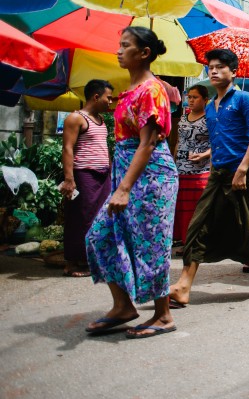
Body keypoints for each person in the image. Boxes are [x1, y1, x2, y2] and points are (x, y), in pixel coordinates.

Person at [84, 27, 179, 338]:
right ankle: (124, 306)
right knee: (101, 236)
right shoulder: (131, 90)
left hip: (151, 176)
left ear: (144, 53)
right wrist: (122, 184)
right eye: (119, 45)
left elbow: (148, 144)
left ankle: (163, 315)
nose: (119, 50)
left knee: (151, 243)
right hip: (129, 172)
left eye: (125, 45)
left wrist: (124, 188)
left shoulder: (152, 90)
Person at [170, 49, 249, 306]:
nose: (214, 71)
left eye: (221, 67)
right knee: (197, 226)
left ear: (234, 72)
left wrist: (243, 169)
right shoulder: (210, 107)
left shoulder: (244, 99)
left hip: (241, 172)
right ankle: (184, 285)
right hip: (216, 174)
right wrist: (206, 155)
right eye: (210, 67)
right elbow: (222, 138)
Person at [61, 79, 114, 278]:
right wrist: (69, 178)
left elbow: (103, 148)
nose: (110, 101)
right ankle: (72, 263)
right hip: (84, 174)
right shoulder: (76, 118)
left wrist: (110, 170)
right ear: (96, 96)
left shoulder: (100, 119)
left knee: (100, 217)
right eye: (108, 97)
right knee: (80, 217)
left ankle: (89, 259)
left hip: (103, 175)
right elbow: (67, 148)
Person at [173, 84, 211, 248]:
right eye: (189, 97)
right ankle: (185, 241)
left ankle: (199, 243)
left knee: (198, 208)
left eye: (195, 97)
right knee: (182, 207)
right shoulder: (183, 118)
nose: (191, 100)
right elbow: (178, 142)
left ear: (205, 100)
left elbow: (218, 143)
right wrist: (173, 162)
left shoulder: (210, 118)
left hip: (201, 170)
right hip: (181, 169)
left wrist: (203, 155)